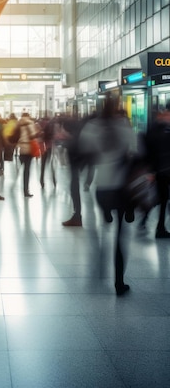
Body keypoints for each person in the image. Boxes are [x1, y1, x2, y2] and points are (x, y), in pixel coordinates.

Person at [79, 96, 137, 296]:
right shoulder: (124, 126)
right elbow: (137, 152)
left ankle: (100, 265)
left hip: (102, 189)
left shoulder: (92, 127)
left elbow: (84, 153)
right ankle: (119, 283)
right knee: (121, 236)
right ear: (117, 109)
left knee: (105, 228)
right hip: (122, 188)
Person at [145, 101, 170, 238]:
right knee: (161, 199)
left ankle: (156, 225)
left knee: (161, 199)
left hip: (161, 170)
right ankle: (159, 228)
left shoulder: (157, 126)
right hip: (162, 171)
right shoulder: (160, 128)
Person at [17, 111, 38, 197]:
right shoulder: (30, 123)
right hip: (29, 148)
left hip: (21, 148)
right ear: (28, 116)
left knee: (20, 167)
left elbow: (15, 136)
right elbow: (33, 135)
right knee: (27, 170)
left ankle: (15, 181)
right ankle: (25, 190)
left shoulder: (18, 124)